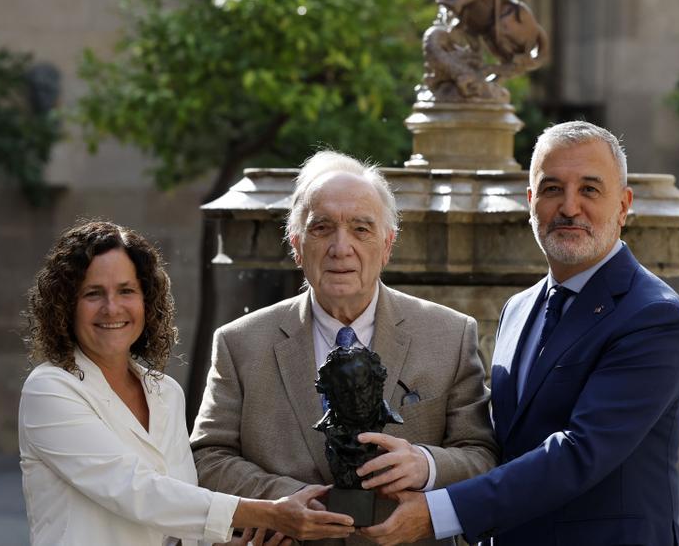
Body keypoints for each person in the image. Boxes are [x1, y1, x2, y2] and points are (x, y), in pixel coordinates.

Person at [363, 121, 679, 545]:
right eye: (553, 189)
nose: (570, 207)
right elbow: (500, 443)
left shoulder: (652, 315)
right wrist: (423, 465)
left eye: (590, 190)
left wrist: (440, 512)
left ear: (624, 205)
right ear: (531, 201)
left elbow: (580, 454)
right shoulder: (518, 309)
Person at [190, 150, 498, 546]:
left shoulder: (451, 334)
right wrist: (279, 502)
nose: (341, 247)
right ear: (296, 244)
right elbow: (206, 458)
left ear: (387, 245)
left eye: (361, 229)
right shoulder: (240, 342)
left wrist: (426, 465)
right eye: (322, 229)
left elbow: (482, 455)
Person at [18, 219, 355, 546]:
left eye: (126, 291)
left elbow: (176, 521)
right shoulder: (50, 389)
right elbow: (137, 492)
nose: (112, 308)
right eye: (93, 293)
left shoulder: (164, 392)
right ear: (65, 306)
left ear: (146, 302)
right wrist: (269, 514)